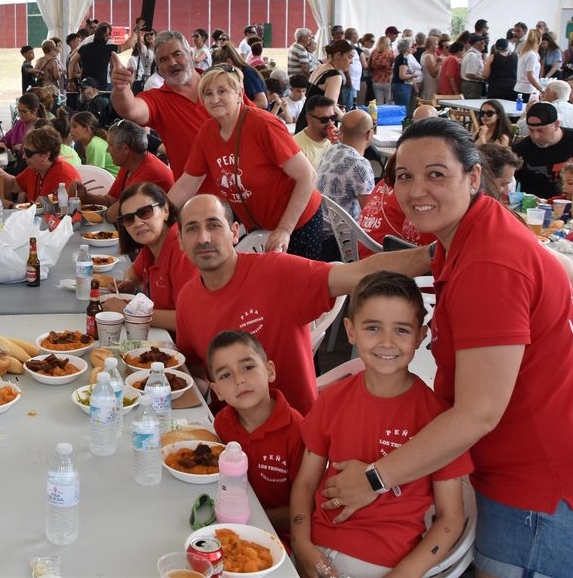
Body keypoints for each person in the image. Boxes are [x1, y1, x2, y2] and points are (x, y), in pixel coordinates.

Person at [323, 118, 573, 578]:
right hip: (538, 464)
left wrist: (375, 479)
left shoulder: (488, 266)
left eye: (436, 174)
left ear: (473, 177)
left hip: (542, 490)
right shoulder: (472, 229)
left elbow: (478, 413)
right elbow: (558, 261)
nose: (416, 189)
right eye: (404, 175)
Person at [174, 194, 428, 414]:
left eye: (214, 225)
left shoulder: (275, 272)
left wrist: (435, 255)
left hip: (294, 435)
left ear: (234, 232)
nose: (203, 238)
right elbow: (197, 370)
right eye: (192, 229)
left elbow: (358, 273)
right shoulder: (187, 298)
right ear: (182, 242)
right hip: (228, 433)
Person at [291, 271, 472, 578]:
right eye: (373, 328)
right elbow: (306, 484)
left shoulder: (439, 419)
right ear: (351, 331)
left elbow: (451, 518)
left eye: (401, 330)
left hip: (383, 566)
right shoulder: (333, 400)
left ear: (420, 335)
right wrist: (302, 545)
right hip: (312, 550)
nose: (387, 342)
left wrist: (402, 575)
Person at [169, 64, 325, 258]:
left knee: (298, 285)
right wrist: (160, 215)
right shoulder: (207, 132)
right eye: (208, 93)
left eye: (222, 91)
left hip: (298, 224)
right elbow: (186, 184)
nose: (215, 99)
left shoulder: (263, 124)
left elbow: (307, 176)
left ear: (239, 93)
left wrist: (285, 230)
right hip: (258, 228)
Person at [207, 330, 303, 540]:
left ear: (269, 371)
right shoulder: (222, 423)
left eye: (248, 367)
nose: (239, 379)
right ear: (217, 391)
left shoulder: (298, 431)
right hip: (229, 527)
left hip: (279, 537)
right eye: (225, 375)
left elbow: (304, 510)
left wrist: (250, 519)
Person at [110, 31, 215, 187]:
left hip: (244, 196)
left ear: (190, 53)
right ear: (158, 67)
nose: (172, 63)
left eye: (177, 54)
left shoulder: (220, 83)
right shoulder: (157, 99)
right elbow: (130, 109)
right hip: (195, 201)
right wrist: (120, 88)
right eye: (163, 60)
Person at [113, 182, 197, 333]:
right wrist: (130, 283)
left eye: (145, 212)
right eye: (129, 219)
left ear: (165, 210)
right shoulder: (152, 244)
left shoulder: (181, 248)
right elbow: (133, 272)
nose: (138, 223)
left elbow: (189, 319)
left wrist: (128, 312)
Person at [83, 120, 173, 223]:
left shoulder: (150, 173)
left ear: (125, 149)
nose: (107, 150)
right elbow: (109, 200)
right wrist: (85, 196)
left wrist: (105, 213)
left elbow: (114, 215)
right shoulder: (129, 164)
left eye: (110, 145)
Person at [316, 110, 375, 262]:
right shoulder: (359, 165)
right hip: (340, 243)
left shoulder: (331, 151)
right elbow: (371, 214)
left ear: (341, 132)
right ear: (369, 134)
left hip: (319, 234)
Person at [0, 125, 82, 204]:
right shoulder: (36, 168)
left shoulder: (60, 175)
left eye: (29, 153)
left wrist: (10, 205)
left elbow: (41, 209)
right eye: (24, 151)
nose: (24, 156)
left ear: (45, 155)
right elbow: (14, 185)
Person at [296, 41, 353, 134]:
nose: (351, 62)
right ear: (338, 55)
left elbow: (316, 96)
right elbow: (330, 106)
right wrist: (347, 119)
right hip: (316, 127)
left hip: (304, 120)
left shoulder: (320, 68)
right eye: (349, 57)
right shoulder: (334, 76)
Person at [0, 92, 43, 160]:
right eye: (19, 111)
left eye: (24, 111)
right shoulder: (20, 123)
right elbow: (8, 136)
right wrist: (2, 142)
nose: (20, 114)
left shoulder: (41, 127)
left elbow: (38, 151)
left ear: (34, 111)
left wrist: (21, 148)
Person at [293, 94, 336, 170]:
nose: (330, 123)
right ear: (309, 118)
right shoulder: (296, 146)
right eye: (324, 120)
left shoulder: (335, 142)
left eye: (333, 118)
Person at [69, 111, 118, 176]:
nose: (71, 130)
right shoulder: (91, 142)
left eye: (75, 126)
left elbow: (94, 176)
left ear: (86, 128)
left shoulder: (94, 145)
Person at [514, 29, 543, 101]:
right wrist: (541, 89)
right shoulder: (532, 55)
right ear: (539, 40)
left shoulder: (524, 53)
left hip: (520, 88)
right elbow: (530, 76)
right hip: (528, 90)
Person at [368, 36, 395, 106]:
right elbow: (394, 64)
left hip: (376, 80)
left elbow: (369, 64)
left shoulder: (374, 52)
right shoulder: (390, 52)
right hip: (388, 80)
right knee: (388, 102)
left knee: (379, 102)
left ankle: (379, 116)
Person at [389, 39, 417, 108]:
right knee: (403, 108)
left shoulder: (400, 57)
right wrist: (413, 75)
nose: (412, 48)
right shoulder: (403, 58)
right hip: (402, 86)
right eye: (411, 46)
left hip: (398, 85)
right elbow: (402, 76)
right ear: (407, 48)